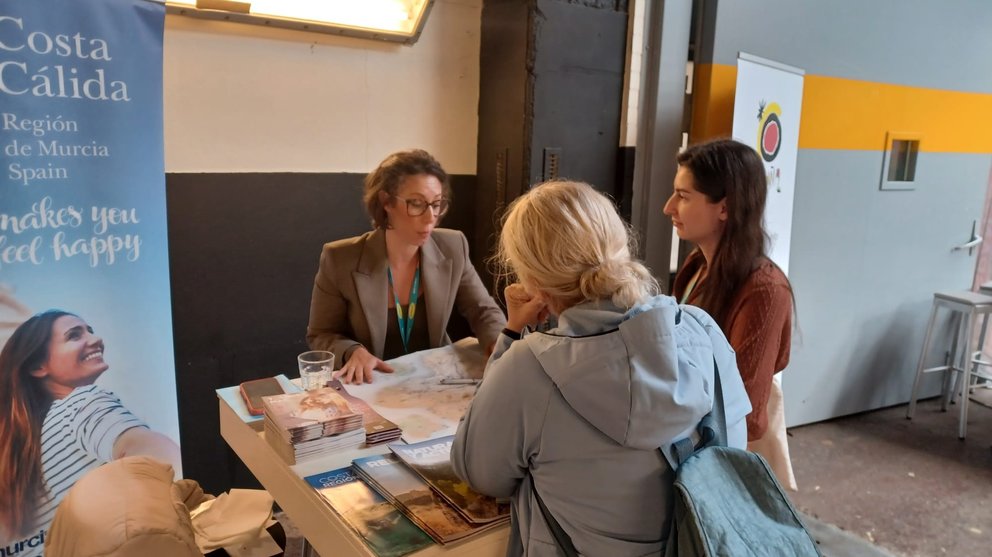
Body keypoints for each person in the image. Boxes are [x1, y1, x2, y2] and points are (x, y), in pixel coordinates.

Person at [451, 180, 751, 556]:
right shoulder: (701, 328)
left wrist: (512, 333)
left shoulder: (528, 367)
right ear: (621, 244)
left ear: (531, 281)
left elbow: (479, 471)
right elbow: (735, 447)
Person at [664, 138, 797, 490]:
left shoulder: (765, 290)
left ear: (725, 207)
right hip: (693, 448)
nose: (669, 207)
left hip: (726, 465)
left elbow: (746, 416)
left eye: (684, 196)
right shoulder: (695, 266)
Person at [307, 149, 506, 384]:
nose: (430, 216)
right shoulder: (340, 258)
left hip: (435, 380)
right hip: (374, 381)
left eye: (437, 204)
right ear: (386, 201)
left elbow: (482, 310)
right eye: (417, 204)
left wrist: (498, 344)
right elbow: (321, 334)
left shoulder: (452, 246)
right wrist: (351, 351)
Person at [0, 310, 182, 557]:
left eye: (91, 331)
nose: (96, 340)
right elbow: (165, 460)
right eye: (74, 336)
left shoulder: (14, 458)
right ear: (37, 366)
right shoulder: (82, 404)